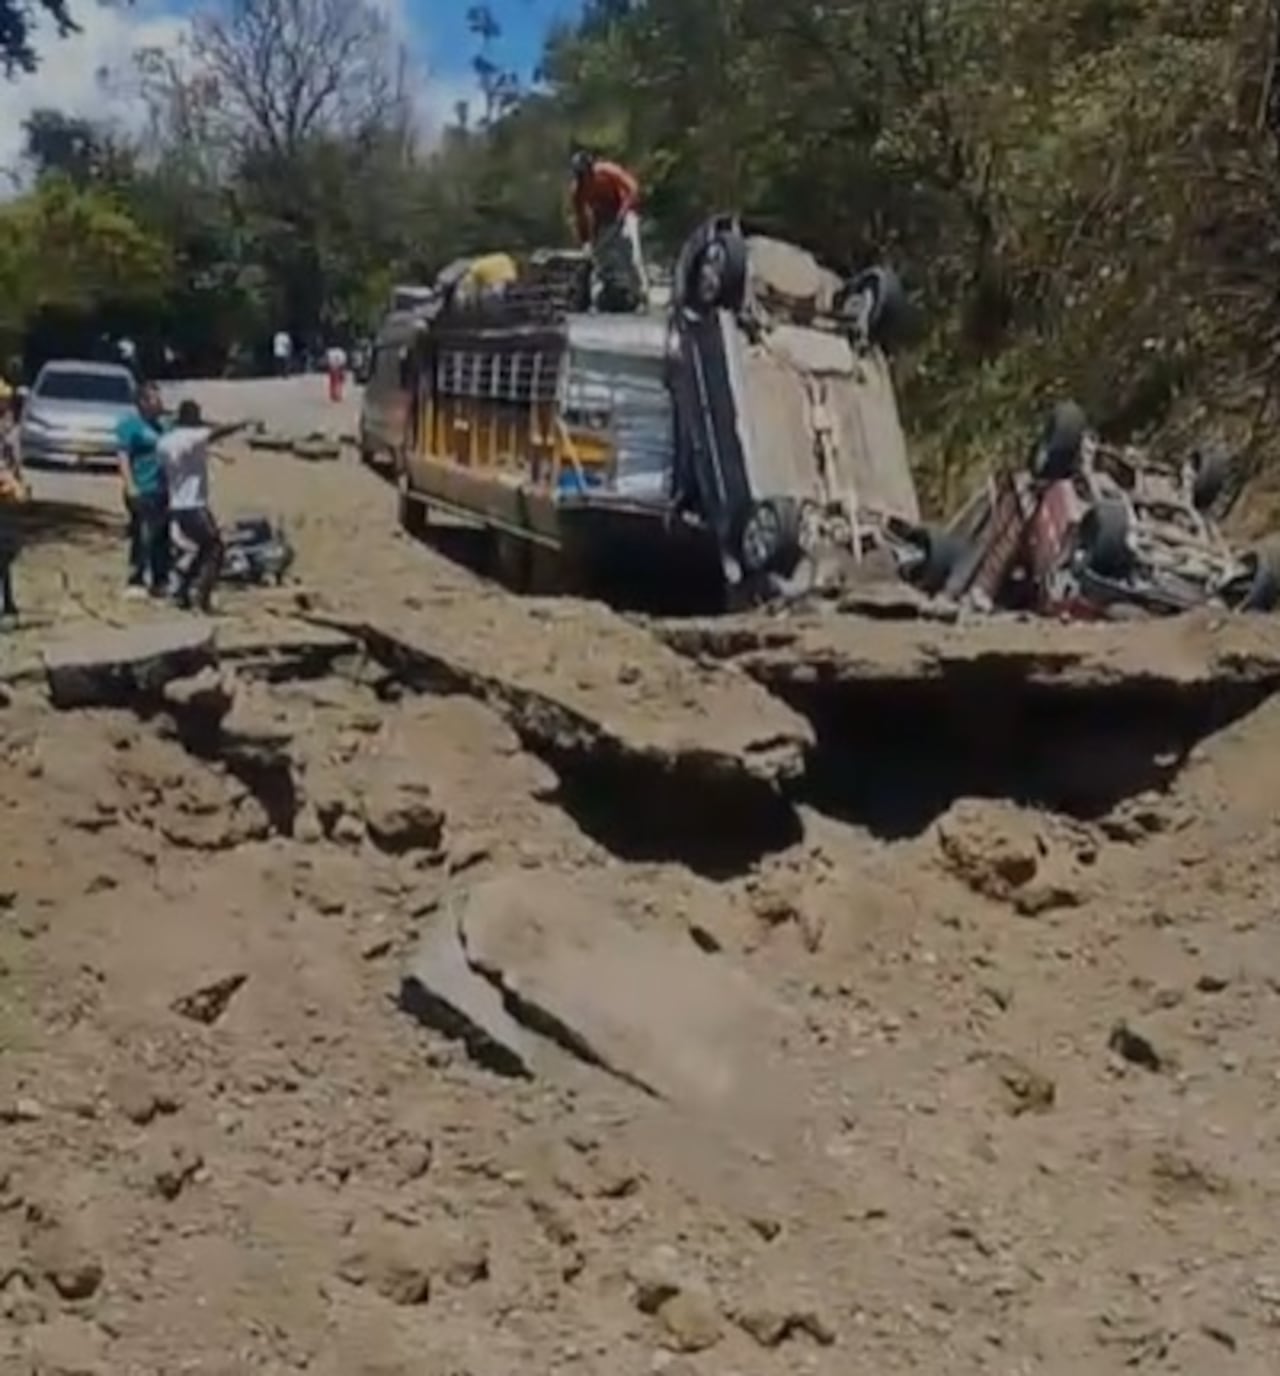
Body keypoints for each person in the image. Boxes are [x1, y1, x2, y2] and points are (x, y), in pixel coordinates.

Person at [158, 400, 247, 613]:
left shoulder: (165, 442)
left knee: (205, 547)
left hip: (176, 503)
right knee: (215, 548)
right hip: (193, 505)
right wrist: (241, 424)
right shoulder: (192, 437)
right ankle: (201, 596)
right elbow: (216, 433)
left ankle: (184, 589)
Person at [570, 149, 648, 309]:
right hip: (603, 219)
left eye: (586, 173)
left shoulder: (607, 171)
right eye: (580, 175)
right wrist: (586, 240)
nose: (585, 178)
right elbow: (581, 215)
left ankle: (641, 293)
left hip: (624, 212)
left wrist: (624, 211)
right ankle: (608, 292)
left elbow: (632, 188)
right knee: (601, 258)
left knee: (631, 254)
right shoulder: (578, 189)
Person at [115, 382, 171, 598]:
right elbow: (123, 457)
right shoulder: (130, 426)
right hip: (141, 487)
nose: (160, 402)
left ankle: (160, 578)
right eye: (155, 398)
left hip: (162, 488)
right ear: (142, 402)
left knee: (162, 535)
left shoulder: (165, 426)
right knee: (142, 534)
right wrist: (130, 486)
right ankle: (136, 578)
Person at [0, 388, 28, 624]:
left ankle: (7, 603)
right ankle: (7, 605)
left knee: (6, 550)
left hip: (4, 502)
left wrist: (17, 481)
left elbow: (12, 466)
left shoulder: (8, 434)